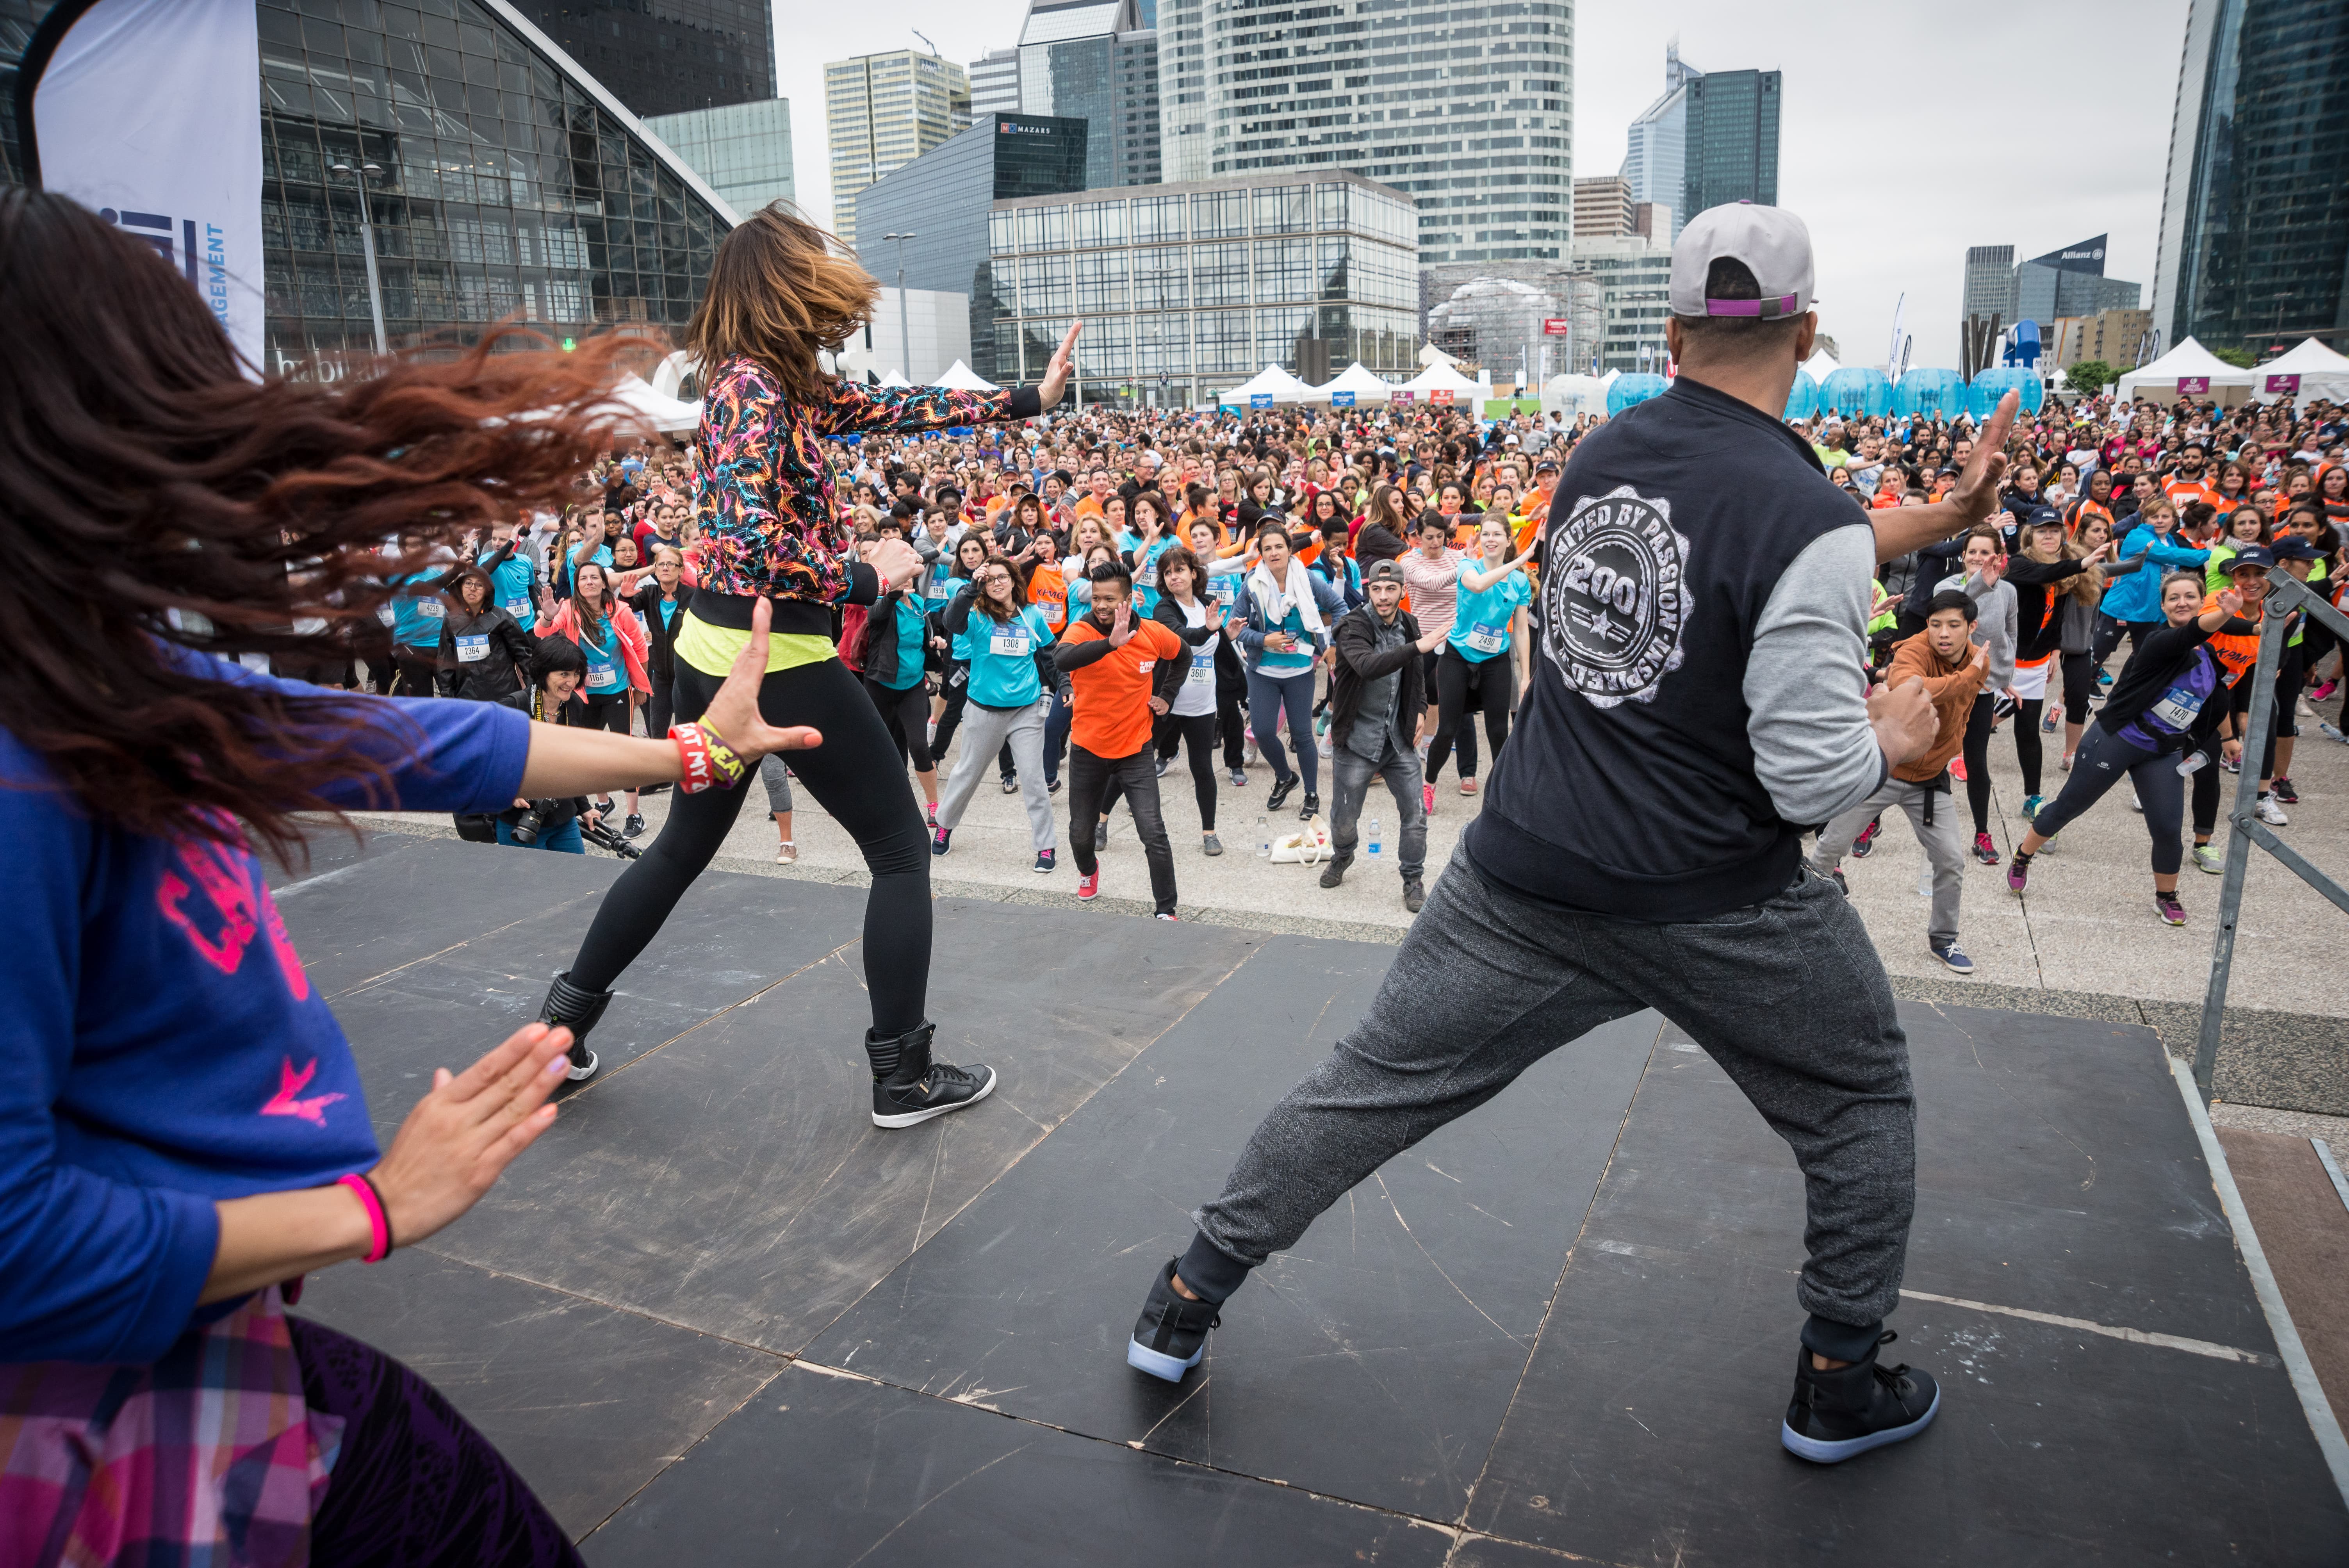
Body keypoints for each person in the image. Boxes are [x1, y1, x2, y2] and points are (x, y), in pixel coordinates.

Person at [0, 186, 830, 1564]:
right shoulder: (21, 770)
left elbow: (421, 743)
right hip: (106, 1437)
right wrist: (377, 1204)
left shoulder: (108, 682)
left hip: (212, 1356)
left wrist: (686, 753)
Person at [1126, 204, 2008, 1468]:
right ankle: (1838, 1378)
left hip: (1523, 874)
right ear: (1808, 333)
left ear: (1667, 333)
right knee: (1857, 1094)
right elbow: (1814, 778)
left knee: (1366, 1089)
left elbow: (1733, 554)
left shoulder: (1600, 456)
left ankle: (1183, 1297)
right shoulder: (1799, 513)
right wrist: (1903, 737)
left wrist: (1920, 518)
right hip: (1721, 902)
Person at [539, 206, 1081, 1124]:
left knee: (680, 846)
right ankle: (903, 1076)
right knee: (901, 851)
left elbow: (889, 408)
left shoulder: (765, 381)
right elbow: (750, 544)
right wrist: (868, 574)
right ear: (786, 287)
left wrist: (1026, 398)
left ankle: (558, 1036)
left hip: (716, 646)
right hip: (775, 652)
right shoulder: (753, 389)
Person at [2008, 571, 2255, 925]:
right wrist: (2228, 614)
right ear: (2163, 606)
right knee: (2069, 807)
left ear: (2202, 602)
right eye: (2174, 598)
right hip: (2117, 739)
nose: (2182, 602)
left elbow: (2217, 697)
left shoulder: (2209, 655)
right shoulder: (2159, 642)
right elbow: (2195, 632)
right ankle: (2023, 855)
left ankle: (2166, 896)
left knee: (2168, 830)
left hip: (2163, 751)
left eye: (2190, 597)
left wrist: (2229, 738)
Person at [1812, 591, 1989, 972]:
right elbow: (1912, 687)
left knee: (1950, 860)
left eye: (1953, 625)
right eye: (1935, 624)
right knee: (1830, 847)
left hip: (1928, 779)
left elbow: (1963, 713)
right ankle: (1801, 922)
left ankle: (1944, 938)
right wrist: (1967, 676)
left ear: (1971, 627)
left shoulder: (1979, 661)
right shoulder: (1914, 650)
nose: (1943, 633)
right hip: (1883, 768)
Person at [1055, 559, 1187, 916]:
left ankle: (1166, 910)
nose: (1101, 606)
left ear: (1128, 600)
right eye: (1097, 598)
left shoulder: (1153, 634)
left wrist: (1167, 696)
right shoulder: (1083, 630)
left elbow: (1183, 656)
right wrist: (1109, 645)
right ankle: (1089, 871)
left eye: (1110, 599)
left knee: (1153, 832)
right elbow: (1062, 659)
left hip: (1136, 749)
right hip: (1088, 749)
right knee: (1081, 835)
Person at [1316, 558, 1442, 909]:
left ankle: (1413, 878)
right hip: (1357, 739)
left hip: (1398, 740)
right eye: (1376, 589)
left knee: (1416, 815)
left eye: (1391, 589)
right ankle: (1343, 855)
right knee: (1344, 820)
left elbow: (1415, 677)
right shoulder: (1352, 626)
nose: (1383, 597)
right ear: (1368, 589)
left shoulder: (1410, 625)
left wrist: (1418, 710)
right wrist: (1418, 647)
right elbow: (1368, 667)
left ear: (1403, 591)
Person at [931, 557, 1060, 873]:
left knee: (1033, 779)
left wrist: (1066, 685)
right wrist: (969, 590)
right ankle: (945, 825)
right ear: (983, 586)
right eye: (990, 580)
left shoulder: (1032, 616)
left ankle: (1046, 847)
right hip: (984, 710)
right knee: (967, 773)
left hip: (1026, 712)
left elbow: (1051, 654)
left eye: (1003, 578)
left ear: (1015, 581)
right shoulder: (977, 616)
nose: (998, 583)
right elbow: (951, 622)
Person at [1423, 514, 1537, 801]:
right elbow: (1477, 586)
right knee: (1447, 729)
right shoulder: (1467, 565)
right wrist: (1517, 561)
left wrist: (1524, 676)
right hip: (1458, 657)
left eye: (1497, 534)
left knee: (1499, 731)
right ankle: (1429, 784)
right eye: (1486, 534)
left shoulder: (1520, 583)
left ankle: (1501, 796)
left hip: (1496, 659)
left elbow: (1521, 631)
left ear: (1508, 539)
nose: (1491, 539)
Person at [1232, 519, 1338, 818]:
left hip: (1300, 670)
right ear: (1261, 554)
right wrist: (1264, 639)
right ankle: (1285, 777)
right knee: (1263, 732)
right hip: (1262, 670)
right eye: (1268, 549)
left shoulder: (1309, 579)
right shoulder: (1252, 583)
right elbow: (1236, 628)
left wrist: (1333, 645)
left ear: (1291, 550)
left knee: (1303, 735)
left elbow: (1341, 607)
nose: (1274, 553)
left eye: (1280, 546)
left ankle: (1312, 794)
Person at [1150, 546, 1231, 855]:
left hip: (1202, 703)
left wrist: (1229, 635)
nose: (1174, 577)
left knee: (1203, 769)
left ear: (1194, 573)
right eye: (1168, 573)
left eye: (1180, 570)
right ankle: (1102, 820)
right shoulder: (1164, 609)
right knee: (1137, 762)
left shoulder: (1208, 604)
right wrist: (1208, 630)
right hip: (1167, 700)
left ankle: (1209, 832)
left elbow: (1216, 647)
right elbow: (1180, 638)